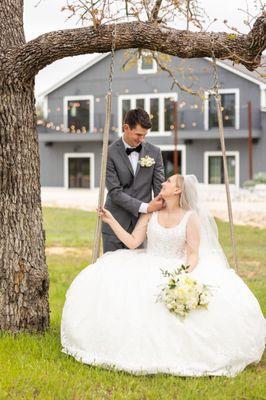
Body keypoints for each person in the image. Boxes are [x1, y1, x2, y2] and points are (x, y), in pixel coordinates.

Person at [61, 174, 265, 377]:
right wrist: (111, 220)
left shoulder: (190, 217)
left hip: (178, 267)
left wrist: (181, 277)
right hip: (147, 263)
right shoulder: (151, 213)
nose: (163, 183)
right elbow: (133, 242)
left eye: (168, 181)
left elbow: (193, 254)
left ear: (178, 190)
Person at [102, 108, 165, 253]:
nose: (142, 139)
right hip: (115, 223)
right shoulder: (109, 152)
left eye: (145, 135)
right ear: (126, 128)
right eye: (138, 134)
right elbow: (114, 192)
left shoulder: (155, 152)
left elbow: (160, 190)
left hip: (142, 225)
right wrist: (146, 207)